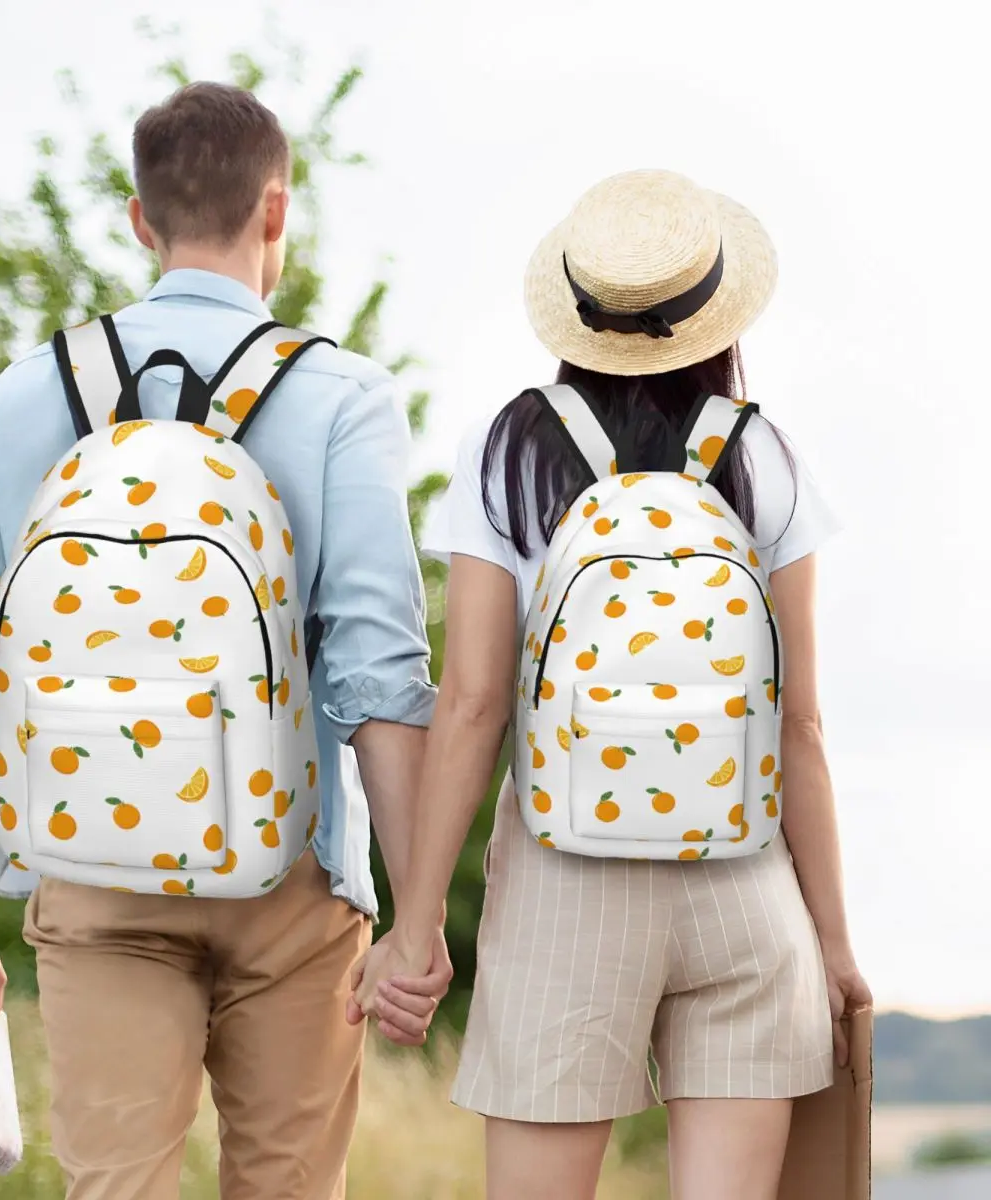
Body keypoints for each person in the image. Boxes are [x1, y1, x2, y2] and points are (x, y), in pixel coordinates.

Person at [0, 81, 451, 1200]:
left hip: (90, 868)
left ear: (140, 220)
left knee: (115, 1186)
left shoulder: (27, 395)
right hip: (292, 875)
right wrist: (418, 916)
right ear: (276, 213)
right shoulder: (341, 395)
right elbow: (379, 680)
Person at [354, 169, 872, 1200]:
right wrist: (834, 943)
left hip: (564, 882)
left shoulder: (508, 450)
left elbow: (470, 705)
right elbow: (801, 725)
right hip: (744, 881)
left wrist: (414, 926)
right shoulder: (764, 457)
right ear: (715, 313)